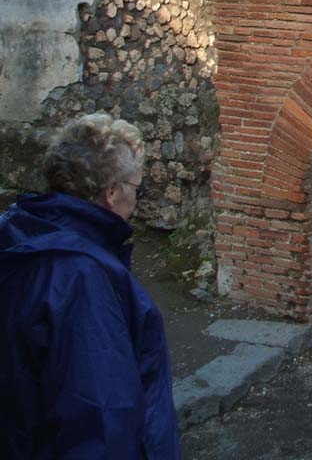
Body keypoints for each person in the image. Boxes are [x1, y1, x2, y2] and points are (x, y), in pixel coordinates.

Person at [0, 113, 180, 459]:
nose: (137, 200)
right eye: (136, 188)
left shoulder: (18, 234)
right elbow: (101, 414)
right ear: (112, 192)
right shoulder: (81, 277)